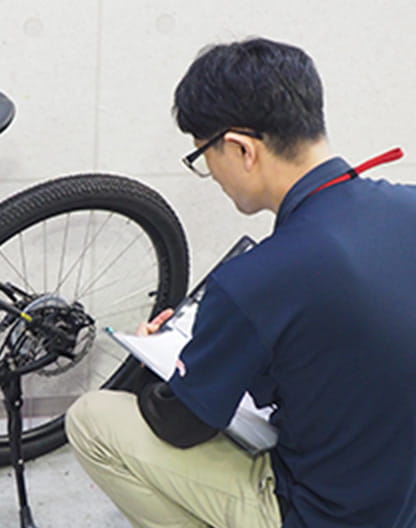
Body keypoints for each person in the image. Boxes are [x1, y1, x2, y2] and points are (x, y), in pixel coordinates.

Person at [65, 37, 416, 527]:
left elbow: (181, 425)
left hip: (328, 514)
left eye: (202, 157)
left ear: (240, 148)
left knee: (91, 420)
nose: (211, 174)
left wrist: (158, 365)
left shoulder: (255, 280)